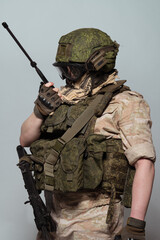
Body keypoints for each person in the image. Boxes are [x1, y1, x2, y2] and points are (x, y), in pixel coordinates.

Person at [19, 28, 156, 240]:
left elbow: (144, 163)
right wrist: (40, 111)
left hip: (97, 222)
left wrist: (136, 224)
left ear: (96, 66)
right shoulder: (61, 98)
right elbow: (25, 140)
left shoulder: (126, 102)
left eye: (72, 70)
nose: (67, 76)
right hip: (52, 219)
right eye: (62, 70)